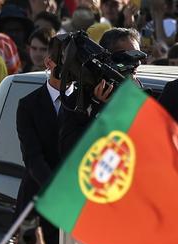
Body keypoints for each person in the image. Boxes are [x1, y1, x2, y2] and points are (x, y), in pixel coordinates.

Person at [16, 35, 71, 244]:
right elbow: (33, 158)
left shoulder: (84, 105)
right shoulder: (28, 105)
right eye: (66, 62)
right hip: (37, 207)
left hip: (73, 213)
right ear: (49, 63)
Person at [59, 28, 144, 156]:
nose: (137, 63)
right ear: (109, 59)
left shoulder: (139, 91)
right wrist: (98, 107)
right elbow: (69, 150)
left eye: (139, 55)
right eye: (129, 57)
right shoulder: (79, 100)